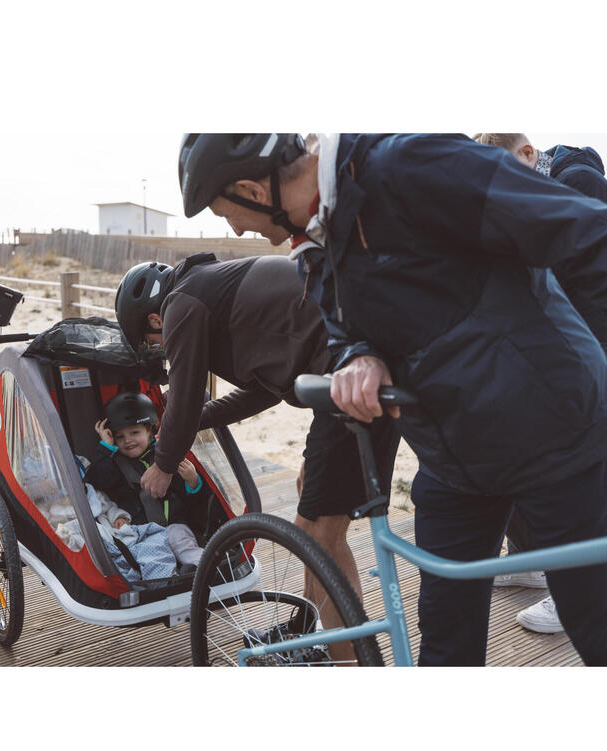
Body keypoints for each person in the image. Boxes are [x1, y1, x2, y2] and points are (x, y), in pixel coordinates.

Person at [179, 132, 607, 666]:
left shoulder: (412, 165)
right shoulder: (315, 239)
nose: (237, 230)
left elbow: (589, 235)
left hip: (554, 437)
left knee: (595, 630)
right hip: (453, 461)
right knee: (445, 651)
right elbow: (340, 323)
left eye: (228, 215)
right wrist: (359, 352)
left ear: (252, 188)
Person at [113, 253, 399, 658]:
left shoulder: (181, 303)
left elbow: (185, 391)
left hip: (351, 375)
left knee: (317, 535)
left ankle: (350, 662)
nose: (160, 350)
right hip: (354, 369)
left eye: (152, 343)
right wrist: (195, 422)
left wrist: (162, 464)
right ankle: (308, 630)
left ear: (154, 321)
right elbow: (263, 389)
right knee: (313, 508)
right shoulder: (209, 288)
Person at [475, 133, 607, 634]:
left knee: (585, 475)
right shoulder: (529, 199)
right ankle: (531, 562)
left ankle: (575, 590)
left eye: (503, 169)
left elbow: (594, 286)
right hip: (569, 351)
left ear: (529, 154)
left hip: (592, 353)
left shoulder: (577, 181)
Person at [85, 391, 204, 572]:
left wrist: (192, 481)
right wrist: (107, 446)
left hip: (172, 525)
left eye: (134, 432)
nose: (128, 441)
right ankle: (171, 579)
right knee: (154, 560)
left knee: (184, 545)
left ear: (151, 430)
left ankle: (203, 566)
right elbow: (98, 481)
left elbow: (190, 501)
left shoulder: (166, 457)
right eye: (120, 437)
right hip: (142, 533)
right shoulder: (114, 463)